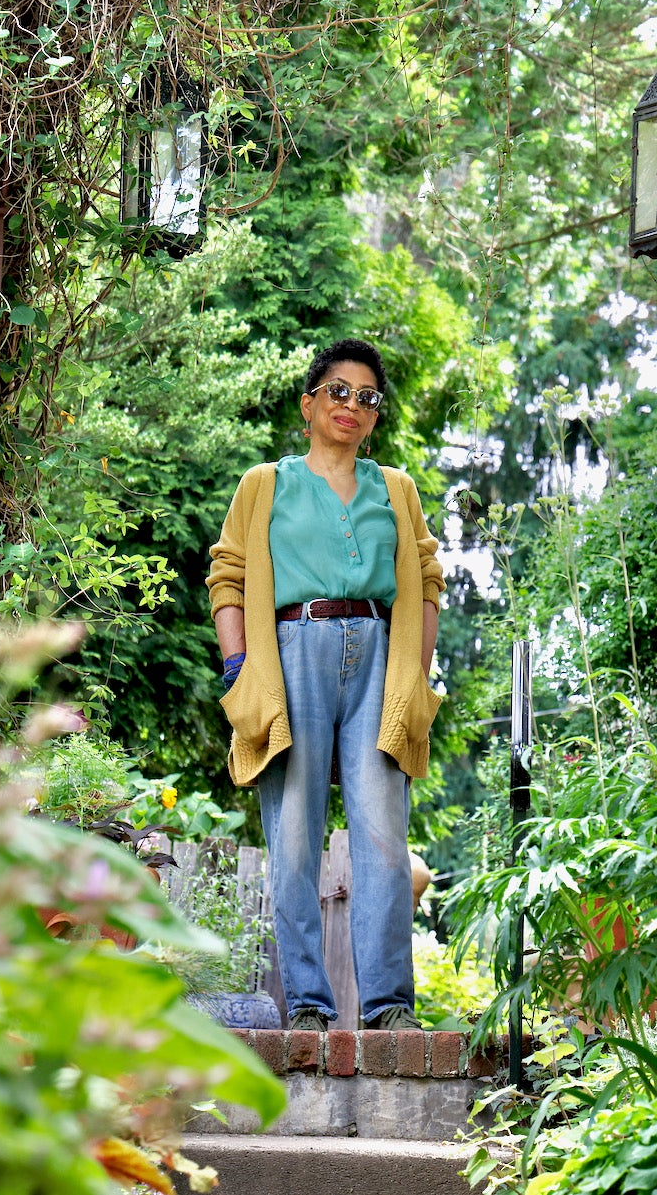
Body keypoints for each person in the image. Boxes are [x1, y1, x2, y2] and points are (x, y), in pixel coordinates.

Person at [206, 338, 444, 1032]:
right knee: (296, 833)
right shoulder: (265, 484)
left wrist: (416, 669)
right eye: (338, 391)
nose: (352, 405)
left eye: (367, 397)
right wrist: (239, 664)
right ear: (309, 403)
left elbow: (426, 579)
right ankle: (308, 1004)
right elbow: (229, 573)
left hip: (378, 654)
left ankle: (389, 1007)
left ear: (375, 417)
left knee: (381, 837)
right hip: (290, 652)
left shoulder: (396, 489)